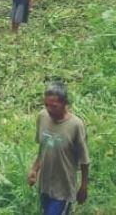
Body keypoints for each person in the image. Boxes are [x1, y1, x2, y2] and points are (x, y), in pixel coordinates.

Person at [28, 82, 90, 215]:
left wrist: (84, 187)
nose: (49, 110)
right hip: (45, 185)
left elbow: (85, 161)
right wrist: (34, 169)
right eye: (46, 105)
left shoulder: (75, 125)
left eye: (54, 106)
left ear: (64, 103)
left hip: (63, 190)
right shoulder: (42, 117)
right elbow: (43, 148)